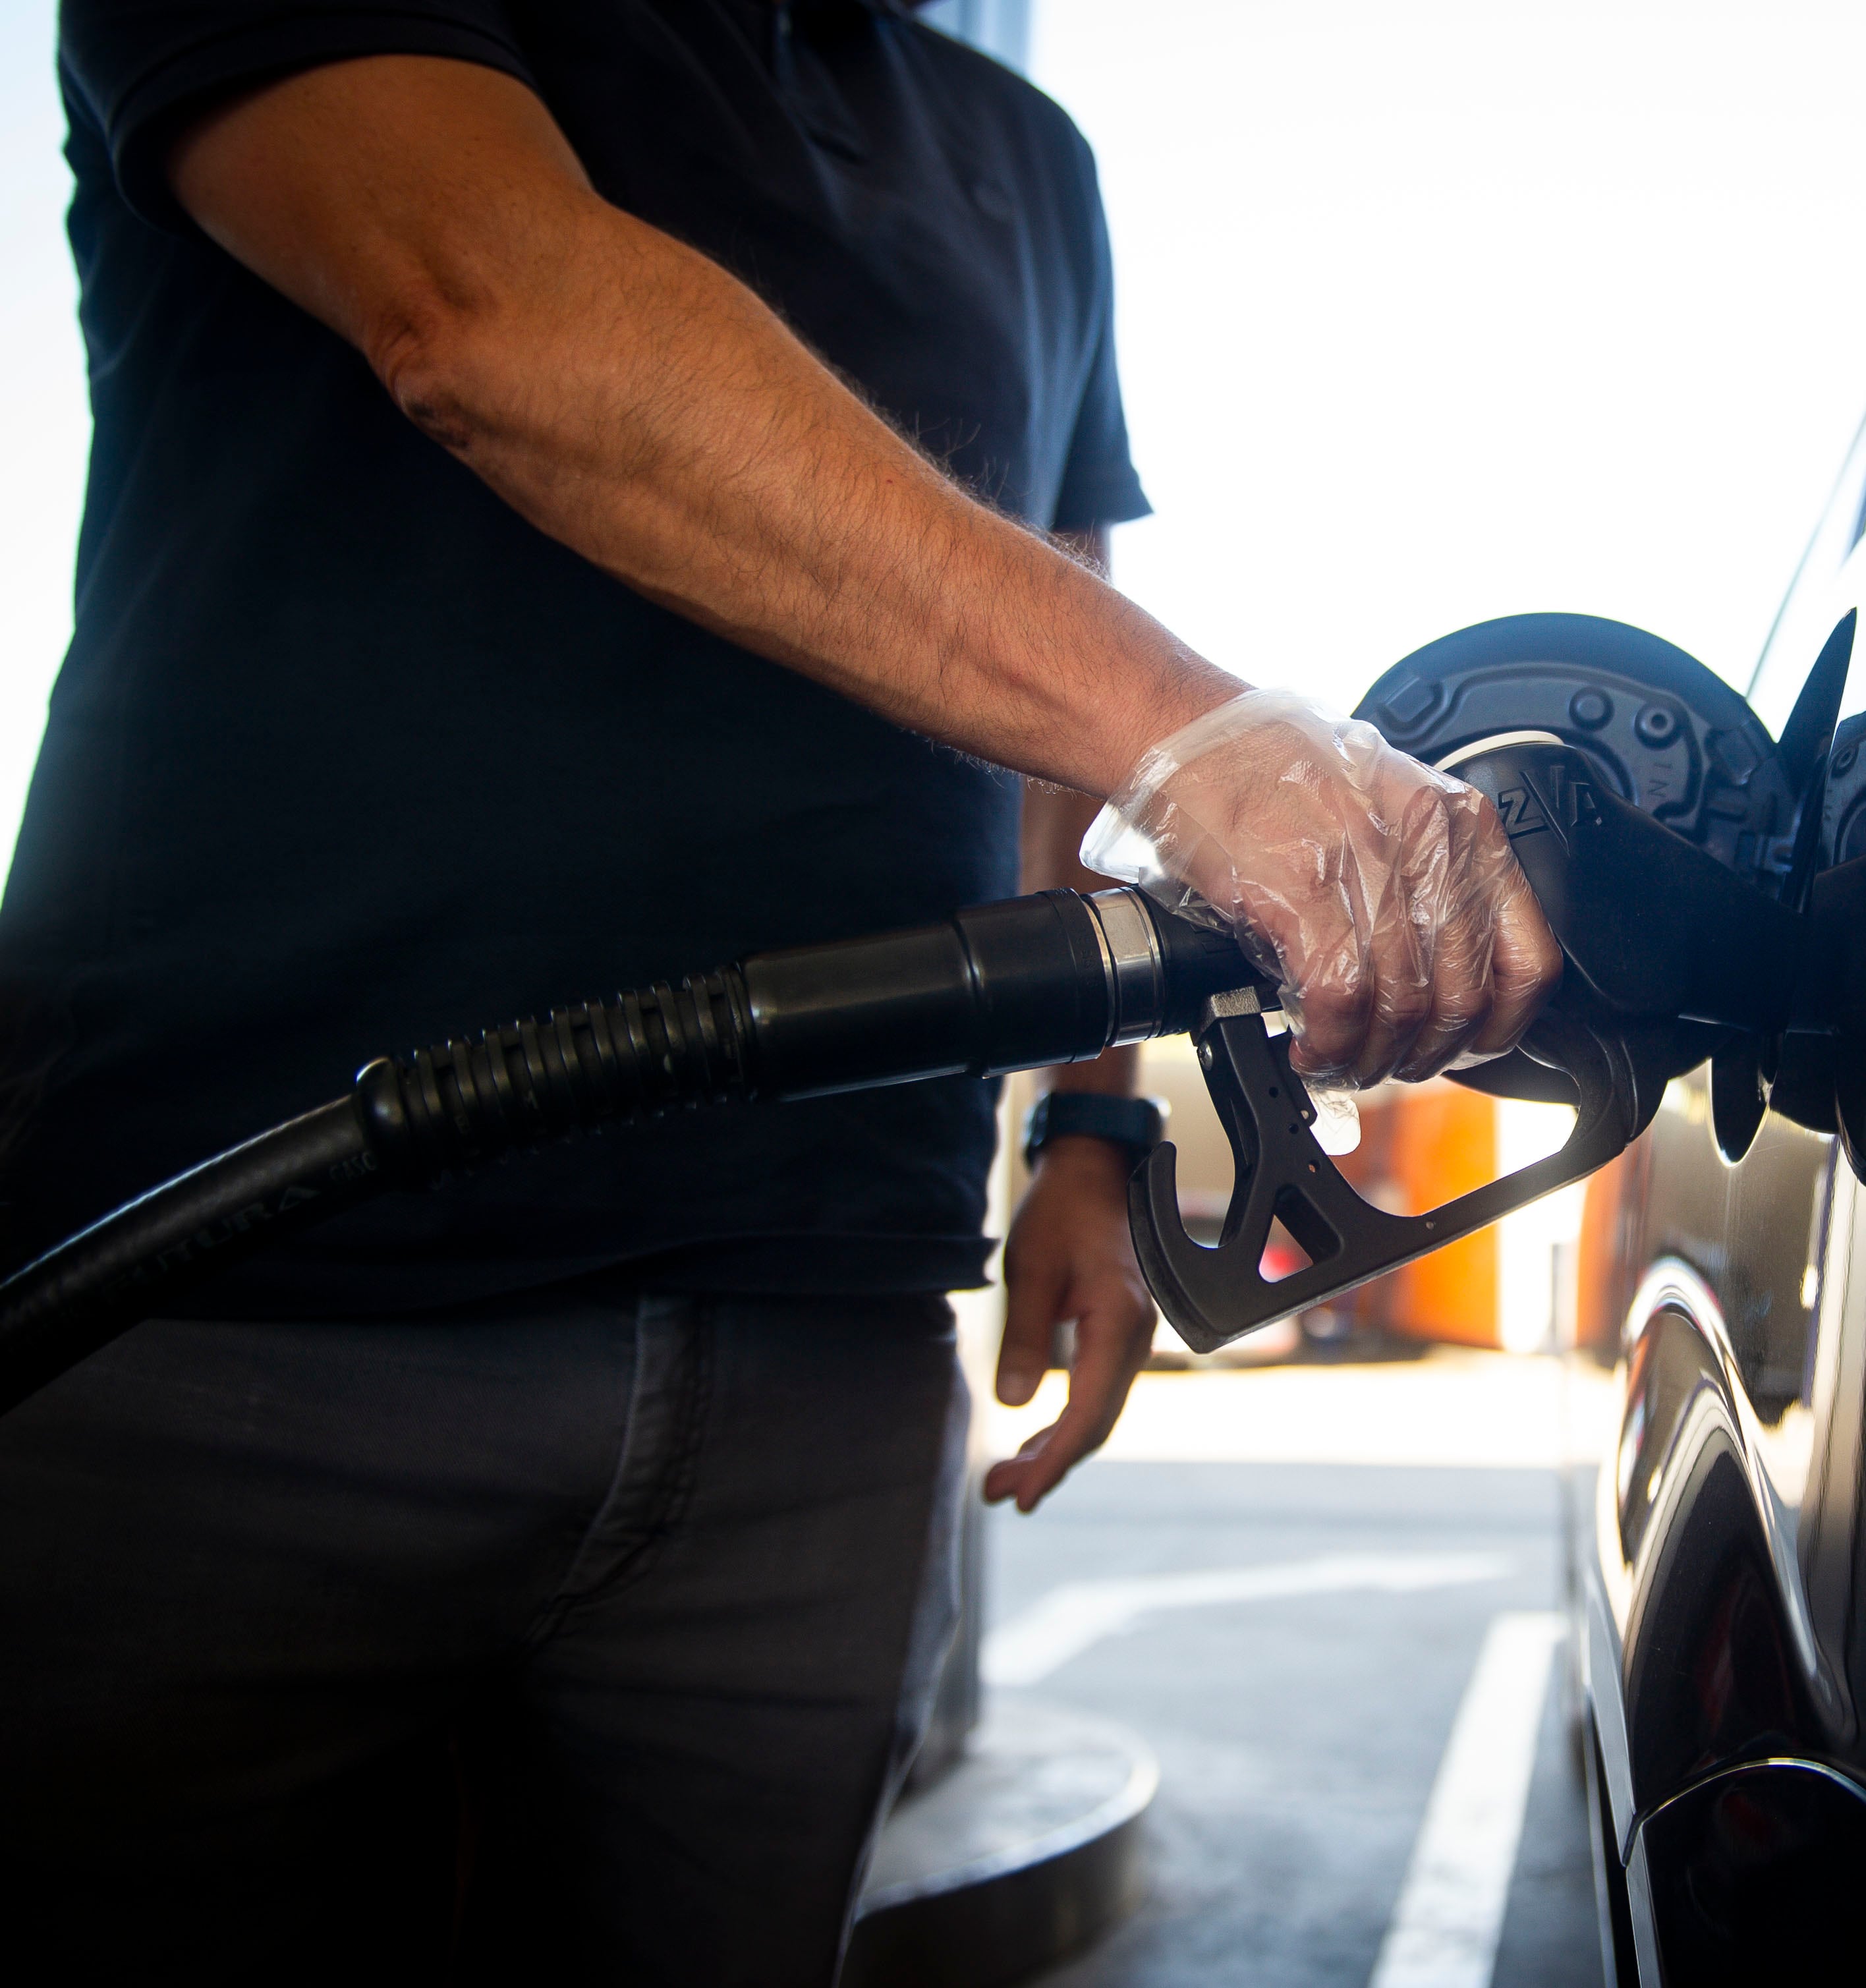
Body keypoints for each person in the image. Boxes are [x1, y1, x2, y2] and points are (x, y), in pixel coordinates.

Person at [0, 4, 1557, 1981]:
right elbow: (477, 301)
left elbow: (1055, 707)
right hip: (239, 1290)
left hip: (822, 1333)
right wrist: (1213, 731)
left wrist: (1088, 1126)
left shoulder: (1026, 157)